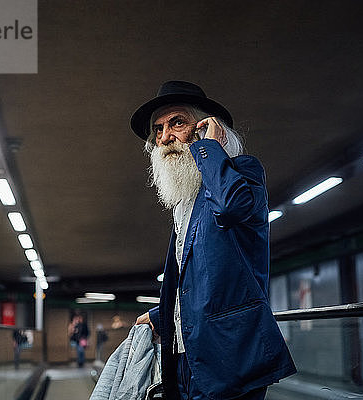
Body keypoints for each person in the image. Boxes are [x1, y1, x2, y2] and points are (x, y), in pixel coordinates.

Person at [132, 81, 296, 400]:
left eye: (177, 122)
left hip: (229, 355)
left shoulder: (242, 173)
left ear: (207, 128)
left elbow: (233, 208)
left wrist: (210, 150)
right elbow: (192, 279)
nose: (165, 137)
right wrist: (160, 315)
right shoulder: (184, 202)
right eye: (159, 129)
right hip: (183, 355)